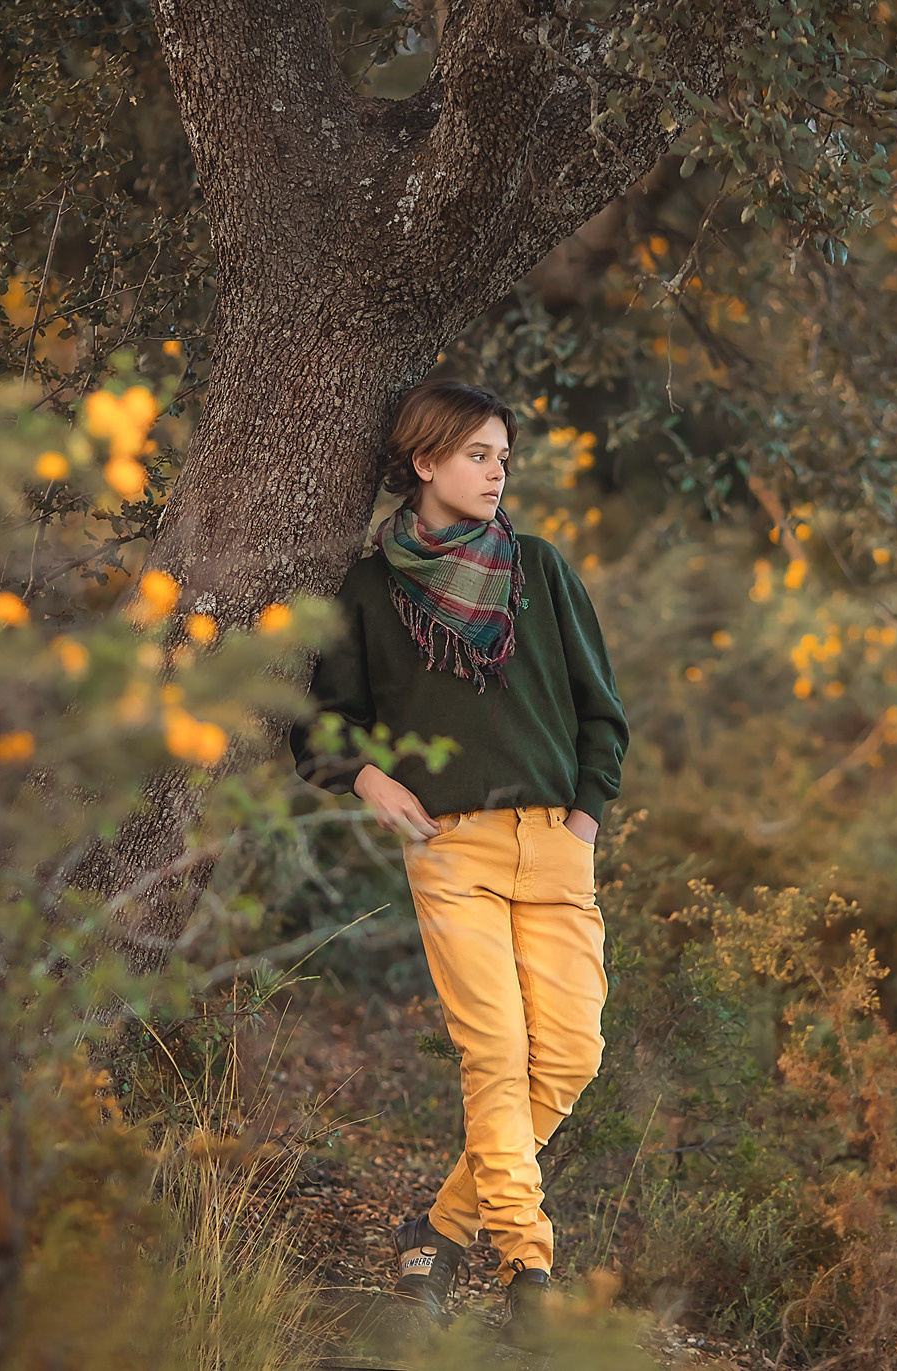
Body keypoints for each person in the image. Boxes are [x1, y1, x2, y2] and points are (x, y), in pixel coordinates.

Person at [287, 379, 628, 1345]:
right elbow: (323, 724)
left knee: (571, 1053)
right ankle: (530, 1270)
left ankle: (436, 1232)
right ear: (426, 461)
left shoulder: (540, 569)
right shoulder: (369, 588)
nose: (496, 472)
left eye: (504, 458)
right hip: (454, 849)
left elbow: (602, 711)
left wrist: (586, 822)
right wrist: (371, 781)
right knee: (497, 1051)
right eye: (479, 454)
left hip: (557, 845)